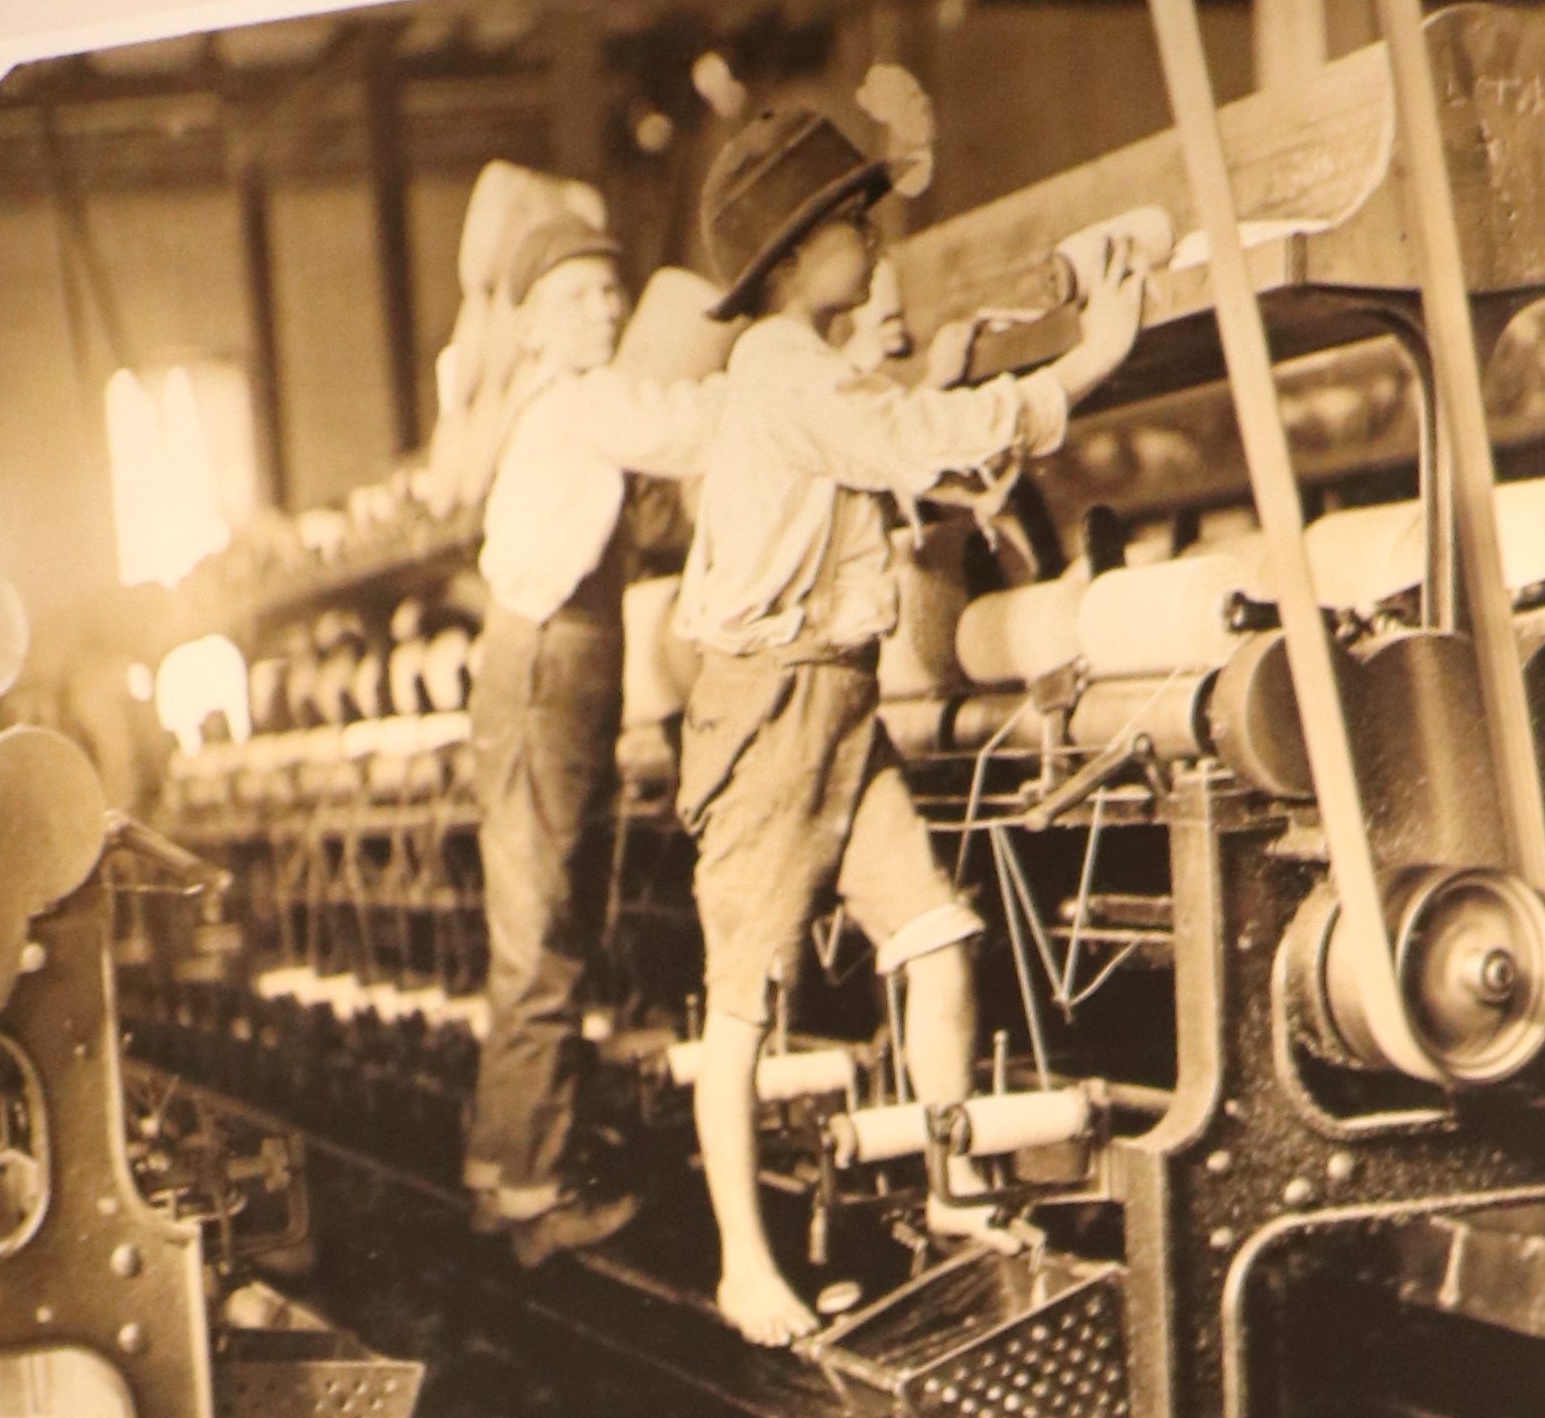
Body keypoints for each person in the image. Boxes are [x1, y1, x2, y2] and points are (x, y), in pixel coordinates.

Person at [671, 103, 1159, 1345]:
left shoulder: (805, 377)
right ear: (791, 262)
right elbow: (919, 439)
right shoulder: (784, 375)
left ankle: (951, 1190)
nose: (874, 247)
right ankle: (743, 1264)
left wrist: (952, 374)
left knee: (937, 939)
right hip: (772, 710)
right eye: (851, 228)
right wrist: (1089, 357)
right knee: (741, 1004)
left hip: (835, 701)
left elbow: (905, 448)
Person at [461, 210, 726, 1257]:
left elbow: (648, 517)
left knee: (536, 928)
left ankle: (500, 1165)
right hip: (548, 666)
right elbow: (695, 425)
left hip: (551, 661)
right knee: (544, 937)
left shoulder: (559, 408)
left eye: (610, 288)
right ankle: (533, 1198)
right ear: (530, 323)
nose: (605, 305)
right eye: (576, 293)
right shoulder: (580, 401)